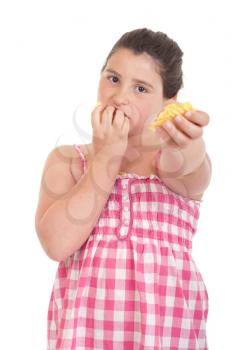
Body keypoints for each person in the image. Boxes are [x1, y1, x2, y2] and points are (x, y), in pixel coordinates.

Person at [35, 28, 212, 349]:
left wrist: (186, 138)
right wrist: (106, 157)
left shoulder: (171, 159)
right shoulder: (67, 161)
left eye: (141, 88)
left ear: (168, 102)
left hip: (167, 335)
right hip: (85, 336)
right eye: (113, 79)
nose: (120, 96)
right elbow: (57, 244)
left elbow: (189, 163)